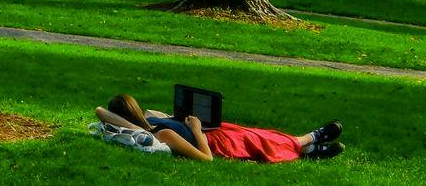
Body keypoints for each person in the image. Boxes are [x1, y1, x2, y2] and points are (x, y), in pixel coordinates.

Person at [94, 93, 343, 162]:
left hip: (211, 130)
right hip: (212, 142)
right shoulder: (161, 133)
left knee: (260, 132)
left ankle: (310, 149)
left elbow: (100, 111)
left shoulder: (151, 118)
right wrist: (196, 130)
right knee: (259, 142)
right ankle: (308, 140)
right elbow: (205, 159)